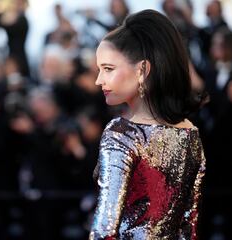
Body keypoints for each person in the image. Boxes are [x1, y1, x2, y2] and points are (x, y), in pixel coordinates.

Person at [89, 9, 207, 239]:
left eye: (108, 69)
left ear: (142, 70)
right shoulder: (191, 134)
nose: (98, 80)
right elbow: (189, 228)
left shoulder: (122, 134)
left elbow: (104, 231)